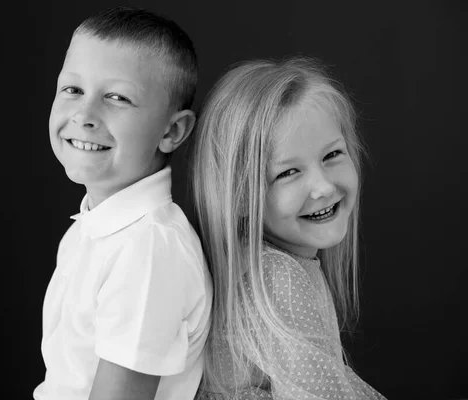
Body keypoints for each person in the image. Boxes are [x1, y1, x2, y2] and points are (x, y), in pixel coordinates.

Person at [33, 6, 212, 400]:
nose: (84, 114)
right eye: (73, 90)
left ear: (173, 130)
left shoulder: (147, 250)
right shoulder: (91, 230)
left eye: (117, 97)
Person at [191, 57, 387, 399]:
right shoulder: (277, 276)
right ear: (238, 196)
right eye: (288, 173)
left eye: (332, 155)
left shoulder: (279, 264)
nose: (323, 186)